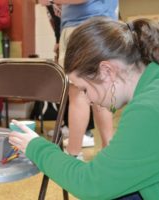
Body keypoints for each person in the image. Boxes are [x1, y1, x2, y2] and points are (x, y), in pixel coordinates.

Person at [9, 17, 159, 199]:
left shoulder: (150, 110)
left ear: (107, 71)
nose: (88, 99)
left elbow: (91, 185)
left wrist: (36, 147)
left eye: (84, 89)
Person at [39, 0, 118, 158]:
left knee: (78, 94)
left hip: (84, 28)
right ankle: (109, 154)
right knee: (101, 93)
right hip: (100, 27)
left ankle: (73, 154)